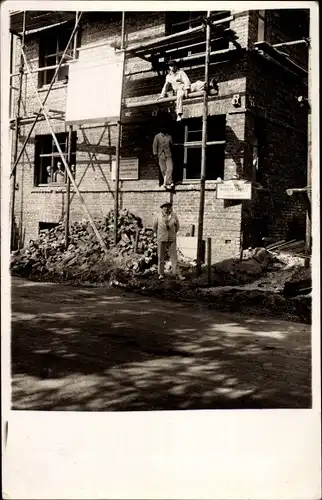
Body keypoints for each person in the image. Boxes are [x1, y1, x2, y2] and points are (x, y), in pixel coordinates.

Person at [152, 202, 185, 281]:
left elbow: (177, 226)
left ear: (170, 208)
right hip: (161, 238)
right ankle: (161, 273)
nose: (166, 209)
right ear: (162, 208)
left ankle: (177, 274)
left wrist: (172, 233)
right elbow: (154, 227)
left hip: (171, 238)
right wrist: (159, 234)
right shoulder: (158, 216)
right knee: (161, 256)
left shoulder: (173, 216)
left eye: (168, 207)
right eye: (164, 207)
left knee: (174, 257)